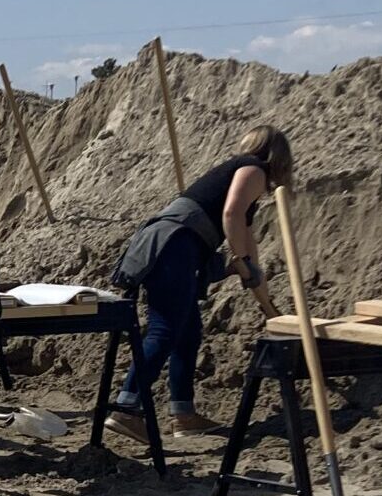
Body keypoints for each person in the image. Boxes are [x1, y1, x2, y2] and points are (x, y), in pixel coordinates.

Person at [108, 125, 294, 439]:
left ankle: (183, 415)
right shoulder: (253, 169)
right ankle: (126, 409)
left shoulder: (244, 182)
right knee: (165, 329)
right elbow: (231, 214)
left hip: (174, 247)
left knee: (188, 333)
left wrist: (268, 305)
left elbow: (250, 251)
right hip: (173, 245)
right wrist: (242, 264)